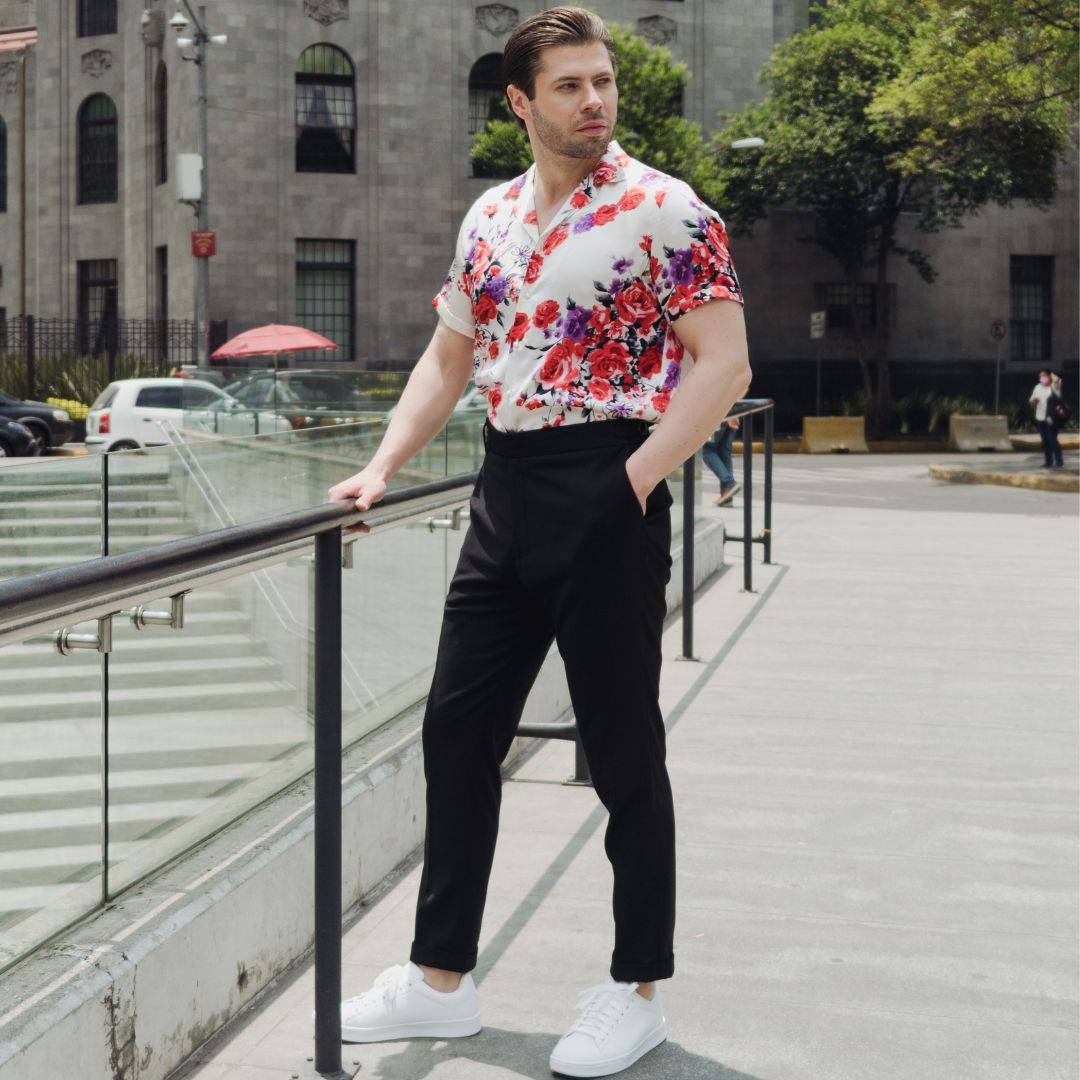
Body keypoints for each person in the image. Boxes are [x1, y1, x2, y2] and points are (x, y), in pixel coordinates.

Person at [325, 8, 750, 1076]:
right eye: (567, 86)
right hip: (503, 487)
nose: (594, 101)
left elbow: (725, 363)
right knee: (457, 736)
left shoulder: (666, 208)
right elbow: (447, 358)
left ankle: (636, 987)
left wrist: (634, 480)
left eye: (601, 81)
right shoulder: (491, 218)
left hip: (606, 481)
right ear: (518, 101)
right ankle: (439, 983)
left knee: (620, 751)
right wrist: (381, 466)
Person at [702, 416, 742, 504]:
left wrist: (729, 415)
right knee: (724, 452)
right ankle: (726, 494)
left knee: (707, 450)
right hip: (731, 414)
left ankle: (729, 483)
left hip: (717, 416)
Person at [1030, 368, 1064, 468]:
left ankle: (1059, 460)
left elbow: (1057, 380)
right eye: (1040, 376)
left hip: (1051, 418)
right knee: (1045, 441)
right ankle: (1048, 461)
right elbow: (1032, 401)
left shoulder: (1054, 387)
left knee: (1052, 439)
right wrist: (1034, 402)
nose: (1042, 378)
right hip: (1040, 417)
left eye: (1044, 376)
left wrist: (1052, 375)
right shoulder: (1037, 387)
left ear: (1049, 376)